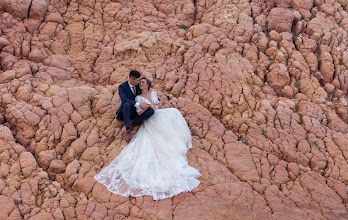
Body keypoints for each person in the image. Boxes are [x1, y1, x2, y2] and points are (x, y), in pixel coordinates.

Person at [94, 77, 201, 200]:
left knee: (174, 111)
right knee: (166, 120)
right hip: (150, 118)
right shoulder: (138, 98)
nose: (140, 84)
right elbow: (140, 113)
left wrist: (158, 104)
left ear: (148, 85)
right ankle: (168, 137)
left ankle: (176, 136)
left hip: (159, 113)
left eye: (143, 82)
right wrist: (148, 108)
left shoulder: (153, 93)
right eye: (140, 82)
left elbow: (158, 104)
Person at [116, 70, 155, 142]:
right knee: (127, 104)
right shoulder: (122, 87)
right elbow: (124, 99)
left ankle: (133, 121)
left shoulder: (137, 86)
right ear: (131, 79)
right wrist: (139, 104)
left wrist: (157, 100)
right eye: (137, 80)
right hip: (126, 111)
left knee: (151, 111)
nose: (139, 82)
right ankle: (128, 130)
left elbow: (146, 92)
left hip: (136, 111)